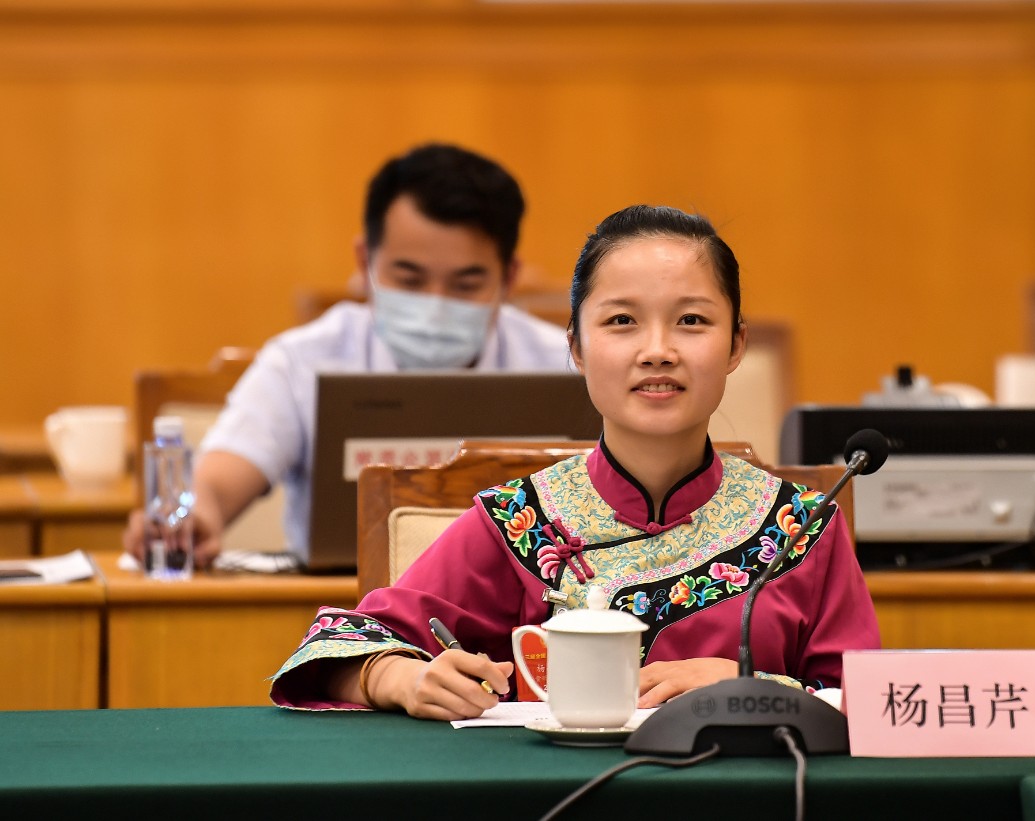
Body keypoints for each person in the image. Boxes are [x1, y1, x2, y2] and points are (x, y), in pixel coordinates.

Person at [269, 204, 880, 719]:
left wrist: (754, 688)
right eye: (621, 322)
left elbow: (876, 705)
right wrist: (397, 679)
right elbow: (337, 647)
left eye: (692, 321)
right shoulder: (520, 520)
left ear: (736, 345)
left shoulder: (804, 526)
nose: (658, 351)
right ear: (576, 348)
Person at [122, 142, 571, 568]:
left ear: (509, 277)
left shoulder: (568, 367)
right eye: (410, 280)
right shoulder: (302, 361)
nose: (435, 306)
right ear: (364, 261)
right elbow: (219, 479)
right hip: (342, 618)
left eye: (466, 285)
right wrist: (193, 515)